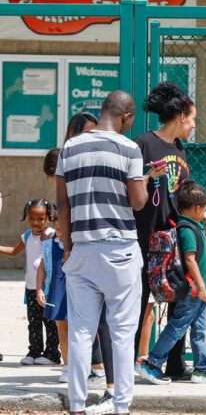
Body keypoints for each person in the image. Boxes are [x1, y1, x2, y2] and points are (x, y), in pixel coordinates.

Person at [56, 91, 156, 414]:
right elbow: (138, 202)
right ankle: (121, 406)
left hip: (82, 249)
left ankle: (76, 405)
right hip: (120, 251)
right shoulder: (129, 149)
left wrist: (68, 248)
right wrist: (144, 182)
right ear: (126, 117)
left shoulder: (70, 147)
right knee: (123, 333)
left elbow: (63, 205)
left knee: (81, 333)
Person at [133, 82, 206, 380]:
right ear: (181, 116)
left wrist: (204, 215)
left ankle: (175, 364)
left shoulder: (180, 149)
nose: (194, 125)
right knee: (139, 301)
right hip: (146, 237)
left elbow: (182, 195)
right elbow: (131, 187)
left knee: (178, 297)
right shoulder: (144, 143)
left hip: (175, 239)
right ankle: (128, 362)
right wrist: (148, 176)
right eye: (192, 118)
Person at [42, 114, 112, 397]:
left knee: (100, 314)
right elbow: (63, 207)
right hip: (75, 246)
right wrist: (65, 241)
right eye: (86, 133)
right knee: (76, 313)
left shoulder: (104, 159)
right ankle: (84, 368)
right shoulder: (68, 162)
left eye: (96, 132)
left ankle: (100, 368)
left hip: (100, 242)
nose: (92, 138)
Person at [137, 180, 206, 384]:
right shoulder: (186, 229)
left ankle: (203, 368)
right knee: (177, 328)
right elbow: (189, 260)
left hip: (199, 293)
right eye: (204, 209)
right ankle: (152, 363)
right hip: (194, 291)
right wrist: (201, 286)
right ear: (197, 208)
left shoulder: (194, 226)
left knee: (198, 331)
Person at [0, 199, 59, 366]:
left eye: (41, 218)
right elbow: (14, 251)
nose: (36, 222)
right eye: (32, 218)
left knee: (50, 322)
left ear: (48, 217)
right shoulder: (26, 236)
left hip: (48, 288)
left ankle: (52, 354)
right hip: (31, 287)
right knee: (34, 322)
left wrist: (46, 241)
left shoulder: (53, 235)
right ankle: (34, 352)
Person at [36, 216, 68, 382]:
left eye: (65, 229)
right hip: (57, 292)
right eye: (58, 229)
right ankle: (68, 365)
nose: (61, 233)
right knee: (62, 330)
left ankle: (88, 365)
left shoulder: (79, 245)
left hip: (76, 292)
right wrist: (39, 289)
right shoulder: (48, 246)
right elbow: (41, 269)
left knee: (78, 331)